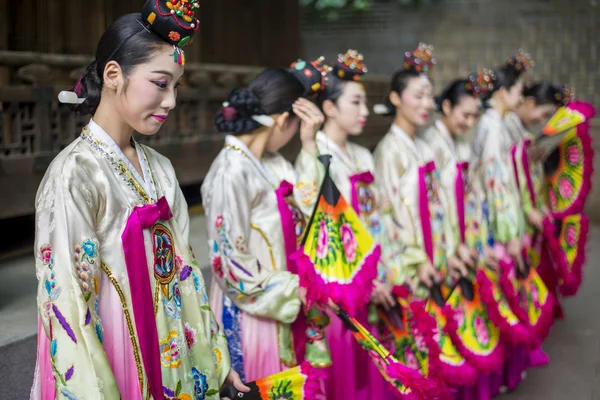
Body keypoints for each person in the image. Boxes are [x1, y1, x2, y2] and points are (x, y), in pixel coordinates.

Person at [31, 2, 247, 399]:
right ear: (114, 75)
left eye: (176, 87)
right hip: (117, 352)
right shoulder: (74, 173)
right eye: (161, 83)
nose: (170, 102)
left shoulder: (160, 168)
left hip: (176, 350)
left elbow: (188, 273)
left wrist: (216, 357)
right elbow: (66, 301)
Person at [201, 60, 336, 383]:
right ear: (283, 120)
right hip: (255, 310)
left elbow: (310, 210)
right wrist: (294, 290)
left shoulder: (272, 163)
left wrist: (307, 143)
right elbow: (227, 263)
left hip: (284, 302)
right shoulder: (230, 170)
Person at [294, 49, 399, 400]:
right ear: (329, 108)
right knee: (345, 375)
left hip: (370, 277)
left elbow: (378, 220)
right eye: (356, 102)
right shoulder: (316, 158)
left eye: (365, 103)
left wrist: (381, 272)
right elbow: (318, 230)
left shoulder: (363, 155)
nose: (365, 111)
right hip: (338, 287)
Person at [373, 43, 478, 392]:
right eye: (417, 96)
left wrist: (454, 247)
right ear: (396, 98)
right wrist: (416, 261)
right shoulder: (389, 151)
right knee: (414, 353)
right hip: (412, 267)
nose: (426, 104)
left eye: (429, 96)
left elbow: (440, 206)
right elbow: (388, 217)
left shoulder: (424, 146)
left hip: (437, 261)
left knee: (438, 348)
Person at [471, 51, 533, 392]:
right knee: (498, 296)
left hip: (496, 216)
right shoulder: (491, 126)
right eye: (517, 90)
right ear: (501, 93)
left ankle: (502, 370)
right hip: (492, 221)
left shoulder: (495, 124)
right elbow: (495, 184)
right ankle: (498, 372)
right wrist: (509, 232)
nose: (521, 97)